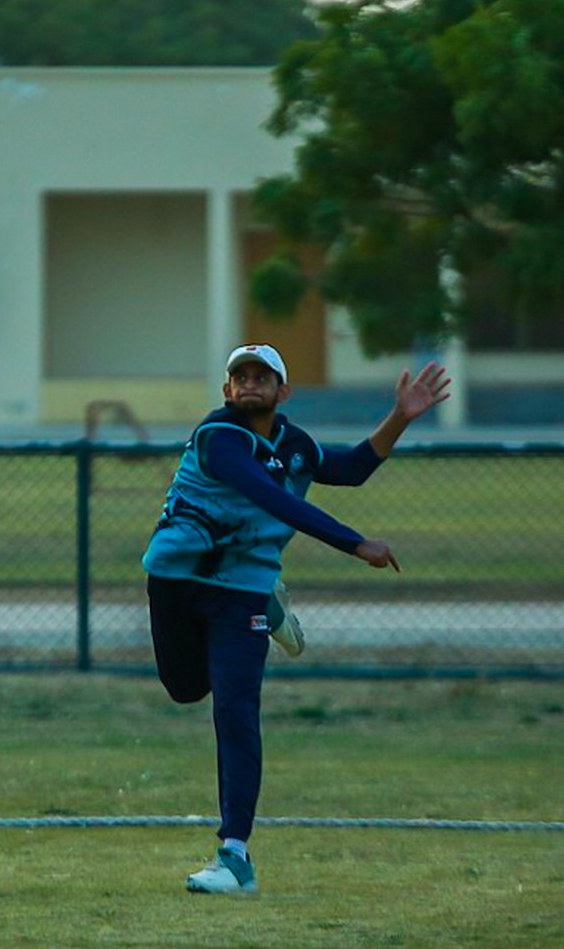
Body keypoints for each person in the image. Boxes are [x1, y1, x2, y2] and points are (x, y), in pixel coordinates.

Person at [142, 342, 450, 896]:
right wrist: (355, 543)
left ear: (283, 391)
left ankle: (235, 857)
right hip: (178, 581)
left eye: (262, 376)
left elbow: (351, 469)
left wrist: (400, 418)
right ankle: (271, 606)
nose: (250, 383)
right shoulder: (219, 437)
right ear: (227, 390)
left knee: (236, 711)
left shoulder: (294, 444)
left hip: (242, 591)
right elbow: (272, 497)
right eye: (241, 376)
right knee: (185, 689)